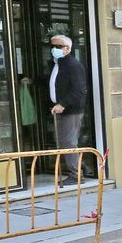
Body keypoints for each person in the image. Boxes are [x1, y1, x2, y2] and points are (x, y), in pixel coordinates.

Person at [48, 34, 88, 183]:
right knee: (63, 141)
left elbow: (79, 90)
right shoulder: (56, 64)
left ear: (67, 49)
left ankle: (76, 175)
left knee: (68, 142)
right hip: (59, 109)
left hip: (70, 110)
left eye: (58, 47)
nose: (54, 49)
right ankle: (81, 168)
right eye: (52, 46)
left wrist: (62, 104)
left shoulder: (73, 65)